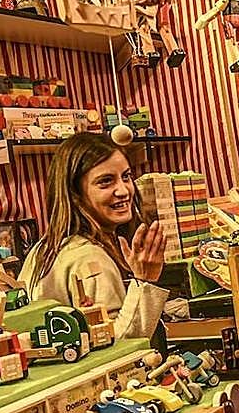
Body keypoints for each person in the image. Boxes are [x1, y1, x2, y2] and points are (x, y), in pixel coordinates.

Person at [19, 132, 169, 341]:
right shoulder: (89, 258)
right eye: (105, 181)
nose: (124, 190)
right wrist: (145, 281)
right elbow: (120, 346)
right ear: (75, 193)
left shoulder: (44, 246)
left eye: (126, 177)